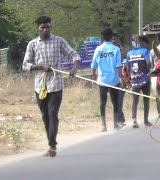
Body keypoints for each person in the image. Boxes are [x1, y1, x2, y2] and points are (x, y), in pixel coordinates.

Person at [23, 16, 81, 157]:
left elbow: (75, 55)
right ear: (38, 29)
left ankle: (52, 145)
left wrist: (74, 68)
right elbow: (25, 65)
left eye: (47, 27)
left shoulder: (58, 41)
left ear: (51, 27)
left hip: (56, 84)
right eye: (42, 27)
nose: (45, 29)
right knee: (45, 115)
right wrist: (40, 66)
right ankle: (51, 143)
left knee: (53, 113)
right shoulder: (32, 44)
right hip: (40, 86)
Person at [91, 27, 123, 132]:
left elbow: (94, 65)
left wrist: (94, 75)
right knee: (115, 102)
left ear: (102, 37)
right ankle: (115, 125)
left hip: (102, 80)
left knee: (102, 102)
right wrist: (122, 79)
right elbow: (119, 66)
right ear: (111, 37)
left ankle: (103, 126)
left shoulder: (98, 49)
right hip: (114, 80)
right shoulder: (116, 49)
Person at [126, 35, 153, 128]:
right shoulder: (145, 51)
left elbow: (127, 67)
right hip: (145, 78)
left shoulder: (129, 53)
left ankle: (134, 120)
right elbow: (148, 62)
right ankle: (146, 121)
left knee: (135, 101)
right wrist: (148, 69)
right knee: (146, 100)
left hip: (134, 79)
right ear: (143, 43)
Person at [112, 33, 127, 126]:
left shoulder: (122, 50)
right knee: (116, 100)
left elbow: (125, 64)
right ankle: (120, 119)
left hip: (121, 77)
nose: (113, 41)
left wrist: (124, 79)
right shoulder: (110, 51)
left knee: (119, 100)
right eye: (112, 39)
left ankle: (120, 119)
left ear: (117, 40)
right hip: (112, 78)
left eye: (115, 39)